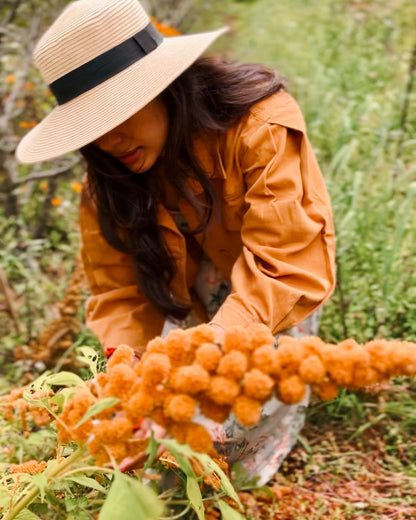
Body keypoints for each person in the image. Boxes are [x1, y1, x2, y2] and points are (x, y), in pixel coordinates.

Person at [16, 0, 335, 485]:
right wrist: (135, 385)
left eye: (119, 112)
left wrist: (210, 355)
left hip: (269, 279)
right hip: (184, 281)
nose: (110, 141)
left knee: (239, 422)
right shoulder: (109, 179)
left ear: (165, 86)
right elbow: (119, 292)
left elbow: (285, 260)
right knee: (160, 432)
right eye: (93, 127)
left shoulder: (260, 125)